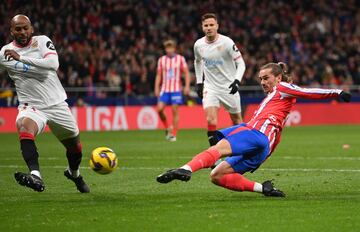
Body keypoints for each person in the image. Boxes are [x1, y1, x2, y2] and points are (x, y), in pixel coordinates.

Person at [156, 62, 351, 197]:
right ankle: (263, 188)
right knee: (217, 175)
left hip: (257, 135)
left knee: (218, 150)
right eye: (260, 79)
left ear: (278, 77)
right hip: (263, 147)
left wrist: (337, 92)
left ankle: (185, 169)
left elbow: (307, 92)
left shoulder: (283, 87)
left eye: (266, 78)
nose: (263, 82)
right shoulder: (272, 99)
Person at [0, 15, 89, 193]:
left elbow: (53, 64)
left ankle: (74, 173)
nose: (22, 32)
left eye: (25, 28)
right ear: (11, 31)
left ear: (31, 29)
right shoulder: (4, 53)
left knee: (75, 149)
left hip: (56, 104)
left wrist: (21, 59)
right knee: (24, 127)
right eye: (18, 29)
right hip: (31, 105)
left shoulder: (42, 42)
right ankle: (35, 176)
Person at [194, 13, 246, 146]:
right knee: (211, 120)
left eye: (211, 25)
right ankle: (214, 155)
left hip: (228, 88)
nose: (209, 28)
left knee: (237, 121)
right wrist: (199, 82)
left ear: (217, 26)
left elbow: (241, 63)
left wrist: (237, 81)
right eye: (206, 25)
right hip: (210, 88)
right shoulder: (198, 45)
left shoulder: (227, 42)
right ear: (202, 27)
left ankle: (240, 150)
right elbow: (197, 62)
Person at [154, 39, 190, 142]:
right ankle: (167, 127)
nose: (169, 50)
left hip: (176, 89)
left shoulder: (180, 59)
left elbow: (186, 73)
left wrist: (187, 86)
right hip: (165, 89)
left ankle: (174, 134)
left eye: (170, 48)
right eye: (167, 48)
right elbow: (158, 75)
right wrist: (156, 87)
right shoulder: (161, 60)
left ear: (174, 48)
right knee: (159, 109)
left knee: (175, 111)